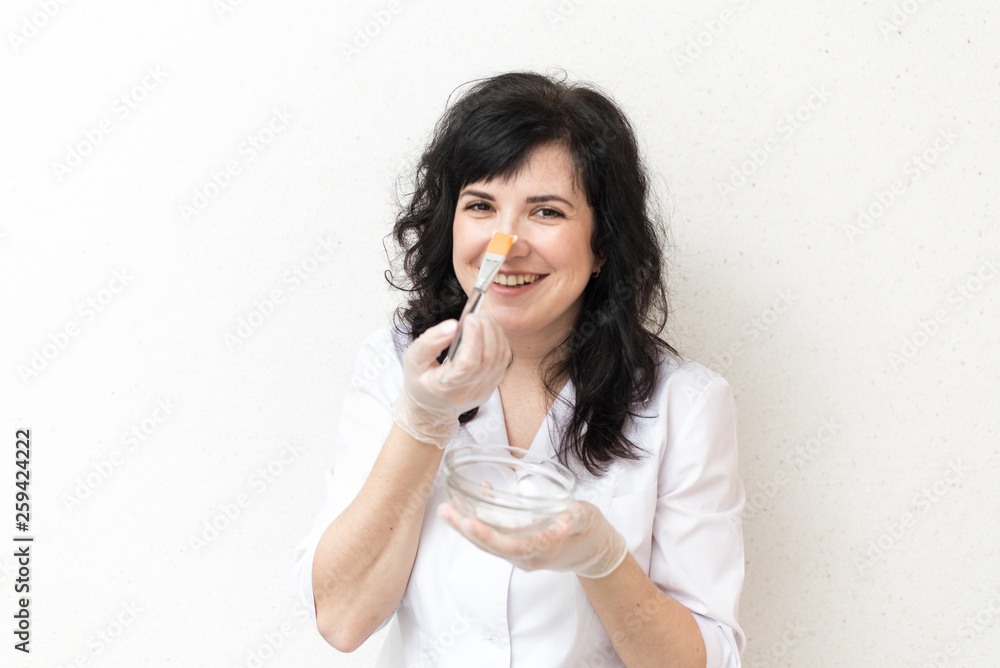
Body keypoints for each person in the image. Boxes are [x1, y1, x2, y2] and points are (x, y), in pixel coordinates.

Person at [294, 71, 746, 668]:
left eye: (547, 212)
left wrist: (603, 560)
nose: (504, 243)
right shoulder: (395, 362)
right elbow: (344, 619)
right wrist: (422, 422)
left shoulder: (684, 404)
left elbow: (705, 660)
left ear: (603, 243)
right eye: (481, 205)